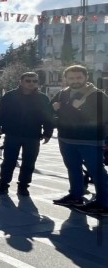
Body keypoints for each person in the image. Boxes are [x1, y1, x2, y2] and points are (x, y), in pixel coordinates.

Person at [50, 65, 108, 215]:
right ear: (66, 79)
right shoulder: (63, 93)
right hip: (66, 138)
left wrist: (76, 109)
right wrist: (57, 109)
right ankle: (75, 196)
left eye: (78, 77)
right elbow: (52, 108)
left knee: (97, 171)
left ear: (85, 77)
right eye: (71, 78)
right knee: (73, 168)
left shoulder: (97, 95)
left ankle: (104, 203)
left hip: (90, 140)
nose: (75, 81)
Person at [0, 72, 54, 196]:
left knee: (29, 162)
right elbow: (0, 113)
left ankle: (23, 186)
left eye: (34, 81)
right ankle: (3, 185)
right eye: (28, 80)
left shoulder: (43, 98)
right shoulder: (10, 96)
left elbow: (48, 117)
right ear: (20, 81)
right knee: (9, 161)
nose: (31, 83)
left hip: (33, 135)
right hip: (12, 134)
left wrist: (48, 133)